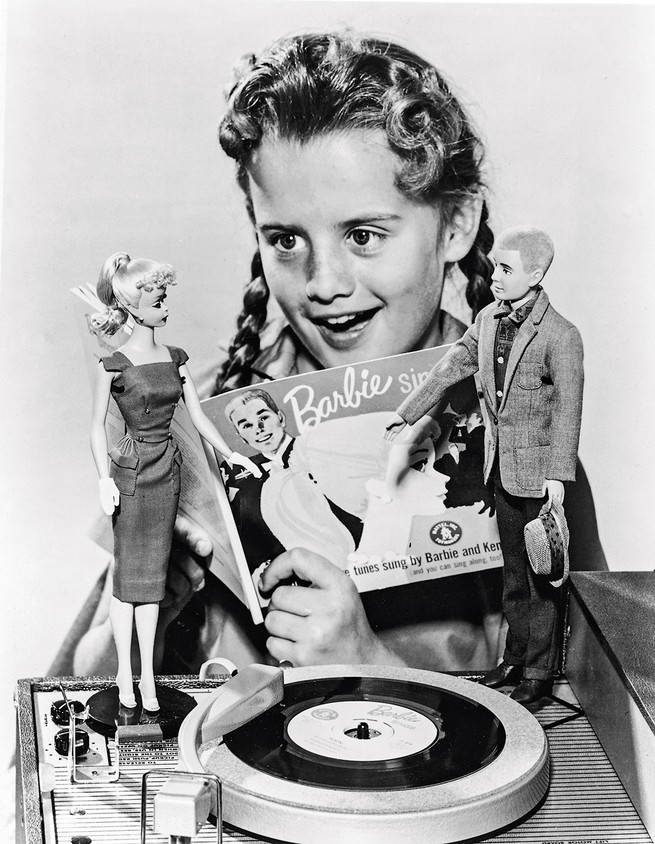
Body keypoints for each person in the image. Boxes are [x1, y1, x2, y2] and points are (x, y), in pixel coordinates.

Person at [53, 31, 606, 681]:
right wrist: (146, 605)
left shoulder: (518, 431)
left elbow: (595, 723)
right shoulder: (201, 423)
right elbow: (66, 707)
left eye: (364, 235)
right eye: (285, 239)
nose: (322, 282)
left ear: (454, 225)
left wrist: (371, 667)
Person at [385, 226, 581, 704]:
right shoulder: (489, 319)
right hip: (499, 469)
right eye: (495, 267)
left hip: (537, 475)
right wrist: (407, 414)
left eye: (507, 269)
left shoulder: (561, 335)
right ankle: (513, 659)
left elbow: (568, 410)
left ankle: (538, 672)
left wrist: (557, 476)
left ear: (535, 275)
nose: (495, 277)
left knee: (542, 580)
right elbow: (452, 365)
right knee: (512, 574)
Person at [88, 252, 260, 709]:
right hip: (130, 475)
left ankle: (147, 678)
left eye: (165, 298)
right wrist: (103, 479)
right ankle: (126, 677)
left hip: (167, 473)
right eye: (158, 299)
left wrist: (231, 455)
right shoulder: (115, 364)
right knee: (128, 582)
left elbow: (199, 418)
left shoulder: (175, 357)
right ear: (133, 306)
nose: (166, 307)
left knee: (153, 585)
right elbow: (93, 427)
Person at [221, 388, 363, 573]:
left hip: (352, 561)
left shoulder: (318, 449)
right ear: (241, 437)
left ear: (280, 417)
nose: (258, 428)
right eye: (247, 426)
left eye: (263, 418)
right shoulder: (239, 475)